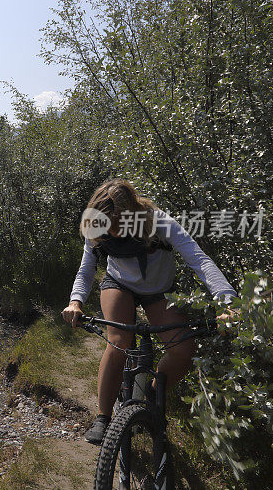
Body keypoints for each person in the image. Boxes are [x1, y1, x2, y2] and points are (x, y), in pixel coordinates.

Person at [62, 178, 237, 445]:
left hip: (159, 292)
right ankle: (103, 417)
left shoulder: (159, 222)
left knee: (183, 349)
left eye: (117, 224)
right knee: (119, 341)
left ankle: (152, 398)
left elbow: (198, 258)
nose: (111, 230)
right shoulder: (96, 225)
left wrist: (227, 302)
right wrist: (76, 302)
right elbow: (86, 269)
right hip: (118, 284)